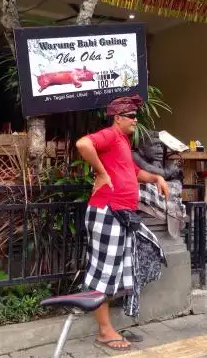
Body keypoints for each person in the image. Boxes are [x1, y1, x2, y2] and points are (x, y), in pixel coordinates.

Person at [75, 95, 169, 351]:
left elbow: (134, 172)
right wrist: (102, 173)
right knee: (102, 271)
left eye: (135, 115)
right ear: (117, 118)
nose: (135, 120)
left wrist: (156, 178)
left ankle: (110, 322)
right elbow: (83, 144)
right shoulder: (110, 134)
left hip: (121, 214)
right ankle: (105, 331)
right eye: (131, 116)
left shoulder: (123, 141)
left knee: (124, 264)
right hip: (107, 211)